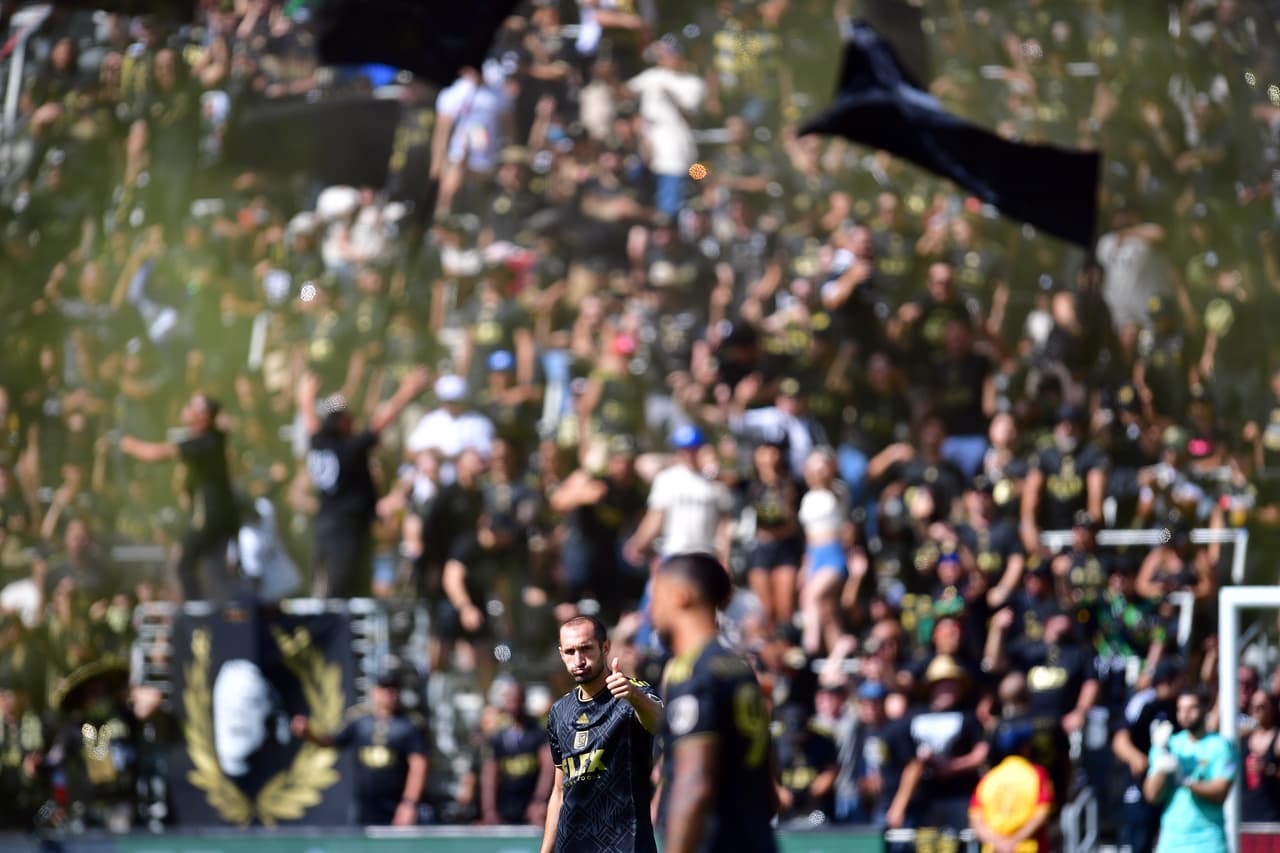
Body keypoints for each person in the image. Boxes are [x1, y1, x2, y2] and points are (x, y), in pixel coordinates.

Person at [650, 552, 778, 853]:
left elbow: (695, 783)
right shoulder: (739, 668)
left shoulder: (693, 671)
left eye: (656, 595)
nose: (651, 611)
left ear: (681, 596)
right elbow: (769, 790)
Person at [298, 367, 430, 598]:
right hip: (347, 533)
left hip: (324, 530)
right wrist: (406, 392)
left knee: (327, 586)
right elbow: (379, 423)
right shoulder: (350, 449)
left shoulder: (318, 443)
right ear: (342, 423)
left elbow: (312, 423)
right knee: (344, 593)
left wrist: (305, 400)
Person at [541, 614, 663, 853]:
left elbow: (662, 723)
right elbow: (559, 791)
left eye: (586, 649)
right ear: (561, 654)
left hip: (625, 844)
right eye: (570, 652)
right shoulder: (559, 711)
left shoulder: (632, 694)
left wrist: (634, 696)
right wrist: (546, 850)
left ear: (605, 647)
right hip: (572, 845)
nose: (578, 660)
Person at [119, 392, 237, 601]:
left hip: (209, 517)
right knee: (211, 568)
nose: (187, 408)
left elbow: (157, 454)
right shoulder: (211, 438)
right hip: (218, 516)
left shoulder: (204, 442)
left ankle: (197, 614)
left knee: (184, 564)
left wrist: (129, 445)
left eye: (193, 406)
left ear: (204, 416)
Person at [292, 671, 428, 826]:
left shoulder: (409, 724)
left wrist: (409, 804)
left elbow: (418, 765)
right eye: (384, 688)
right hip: (365, 805)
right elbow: (332, 742)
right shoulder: (359, 721)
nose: (389, 693)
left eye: (393, 688)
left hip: (396, 804)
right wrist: (309, 734)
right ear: (374, 691)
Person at [1143, 688, 1236, 853]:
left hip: (1209, 844)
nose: (1185, 714)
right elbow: (1151, 795)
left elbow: (1220, 793)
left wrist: (1185, 780)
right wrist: (1162, 765)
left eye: (1191, 708)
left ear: (1205, 708)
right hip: (1171, 844)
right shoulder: (1170, 744)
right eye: (1181, 709)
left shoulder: (1221, 746)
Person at [968, 724, 1056, 853]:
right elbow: (1042, 814)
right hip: (1028, 848)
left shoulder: (988, 778)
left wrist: (998, 843)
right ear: (1025, 748)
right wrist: (1014, 841)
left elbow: (976, 821)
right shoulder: (1037, 774)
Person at [480, 680, 554, 827]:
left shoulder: (538, 733)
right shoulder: (498, 736)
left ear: (523, 700)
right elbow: (490, 775)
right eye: (509, 701)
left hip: (531, 807)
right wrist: (489, 810)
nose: (512, 705)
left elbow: (548, 769)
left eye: (516, 700)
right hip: (505, 807)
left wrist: (539, 801)